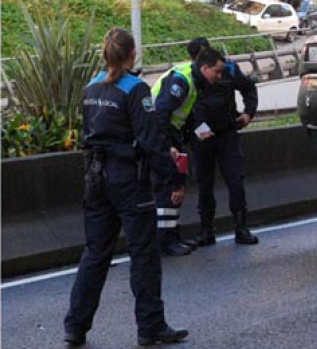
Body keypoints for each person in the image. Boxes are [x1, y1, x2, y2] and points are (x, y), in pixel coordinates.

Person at [63, 27, 189, 347]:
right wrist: (173, 179)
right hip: (128, 181)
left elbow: (89, 133)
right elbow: (150, 141)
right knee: (144, 254)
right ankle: (151, 328)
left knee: (95, 254)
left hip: (95, 179)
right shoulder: (135, 89)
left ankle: (75, 327)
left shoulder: (91, 88)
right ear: (132, 54)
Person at [186, 41, 260, 246]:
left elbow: (248, 88)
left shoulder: (228, 69)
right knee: (204, 184)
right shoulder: (188, 75)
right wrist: (197, 128)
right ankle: (206, 230)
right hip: (201, 136)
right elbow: (183, 108)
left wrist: (248, 113)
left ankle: (241, 227)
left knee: (235, 180)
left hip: (227, 132)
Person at [147, 39, 216, 256]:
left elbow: (185, 115)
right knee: (168, 187)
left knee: (175, 187)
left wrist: (199, 131)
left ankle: (171, 237)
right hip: (163, 137)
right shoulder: (183, 81)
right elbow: (161, 113)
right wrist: (168, 146)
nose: (219, 77)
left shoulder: (191, 80)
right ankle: (166, 242)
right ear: (205, 68)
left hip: (170, 135)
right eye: (217, 72)